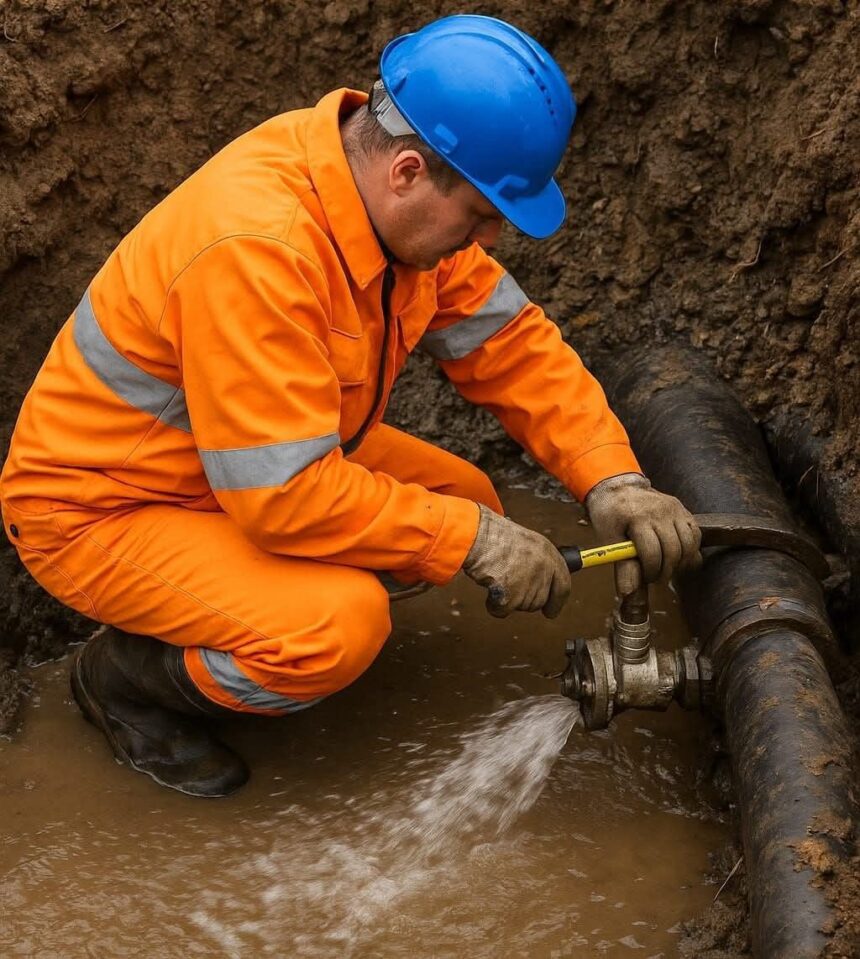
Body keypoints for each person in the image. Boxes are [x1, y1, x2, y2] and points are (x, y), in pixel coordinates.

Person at [0, 15, 700, 797]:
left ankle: (226, 616)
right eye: (481, 215)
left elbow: (509, 344)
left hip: (232, 462)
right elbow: (284, 494)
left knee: (462, 495)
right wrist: (469, 539)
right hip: (100, 505)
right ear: (408, 171)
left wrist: (611, 479)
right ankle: (124, 678)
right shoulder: (260, 249)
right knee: (337, 626)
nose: (490, 239)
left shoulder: (379, 201)